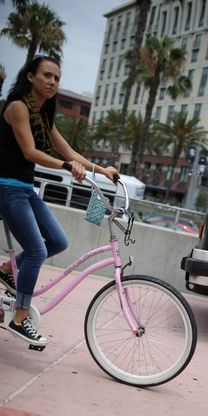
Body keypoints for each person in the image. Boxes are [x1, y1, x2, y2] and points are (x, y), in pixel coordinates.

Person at [0, 55, 119, 347]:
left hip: (25, 189)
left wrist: (102, 171)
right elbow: (30, 152)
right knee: (37, 250)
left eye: (57, 78)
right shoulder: (17, 108)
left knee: (57, 242)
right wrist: (66, 167)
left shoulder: (43, 114)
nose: (53, 82)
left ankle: (5, 270)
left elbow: (68, 151)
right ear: (30, 77)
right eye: (47, 76)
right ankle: (19, 318)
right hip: (7, 188)